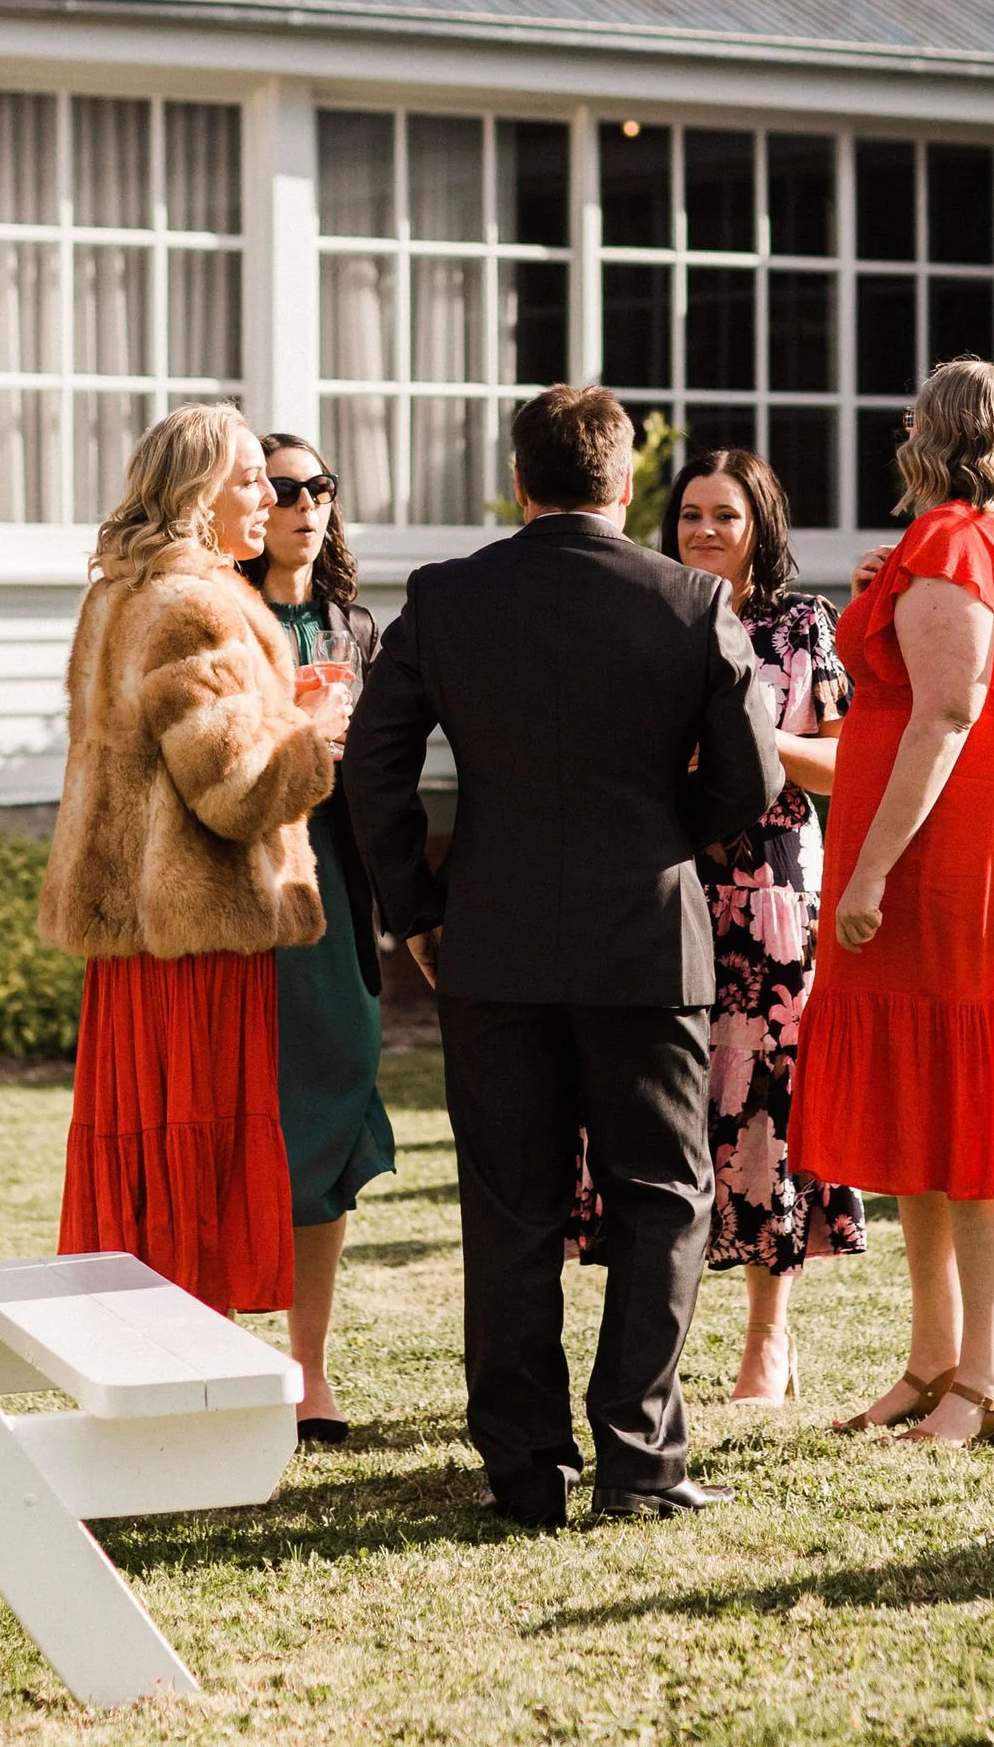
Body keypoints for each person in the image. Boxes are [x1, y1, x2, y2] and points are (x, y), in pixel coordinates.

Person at [344, 384, 782, 1530]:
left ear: (522, 479)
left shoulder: (446, 598)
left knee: (509, 1211)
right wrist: (660, 841)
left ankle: (525, 1471)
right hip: (646, 940)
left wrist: (419, 906)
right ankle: (638, 1461)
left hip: (490, 940)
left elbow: (371, 764)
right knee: (661, 1200)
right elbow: (753, 780)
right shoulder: (689, 600)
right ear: (624, 482)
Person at [791, 357, 994, 1449]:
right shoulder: (955, 546)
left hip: (955, 854)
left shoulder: (953, 542)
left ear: (930, 434)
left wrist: (864, 872)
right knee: (926, 1105)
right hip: (939, 845)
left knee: (970, 1103)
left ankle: (987, 1377)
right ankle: (931, 1358)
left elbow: (948, 710)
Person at [572, 447, 863, 1406]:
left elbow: (842, 764)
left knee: (763, 1104)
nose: (704, 530)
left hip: (770, 891)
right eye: (691, 513)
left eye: (725, 516)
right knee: (672, 1107)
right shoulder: (649, 611)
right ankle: (662, 1343)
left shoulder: (800, 624)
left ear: (760, 526)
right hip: (664, 879)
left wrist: (747, 741)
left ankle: (769, 1341)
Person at [42, 405, 335, 1318]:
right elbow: (235, 787)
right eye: (250, 478)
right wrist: (315, 734)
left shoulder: (116, 595)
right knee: (191, 1162)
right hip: (194, 941)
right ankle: (183, 1361)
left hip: (135, 944)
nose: (270, 495)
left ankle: (147, 1354)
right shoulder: (194, 603)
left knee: (142, 1158)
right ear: (196, 492)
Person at [239, 431, 397, 1446]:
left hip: (336, 888)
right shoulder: (223, 614)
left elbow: (384, 770)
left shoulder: (354, 626)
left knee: (334, 1101)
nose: (304, 503)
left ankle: (309, 1368)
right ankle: (214, 1349)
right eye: (282, 488)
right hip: (246, 889)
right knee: (245, 1109)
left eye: (318, 487)